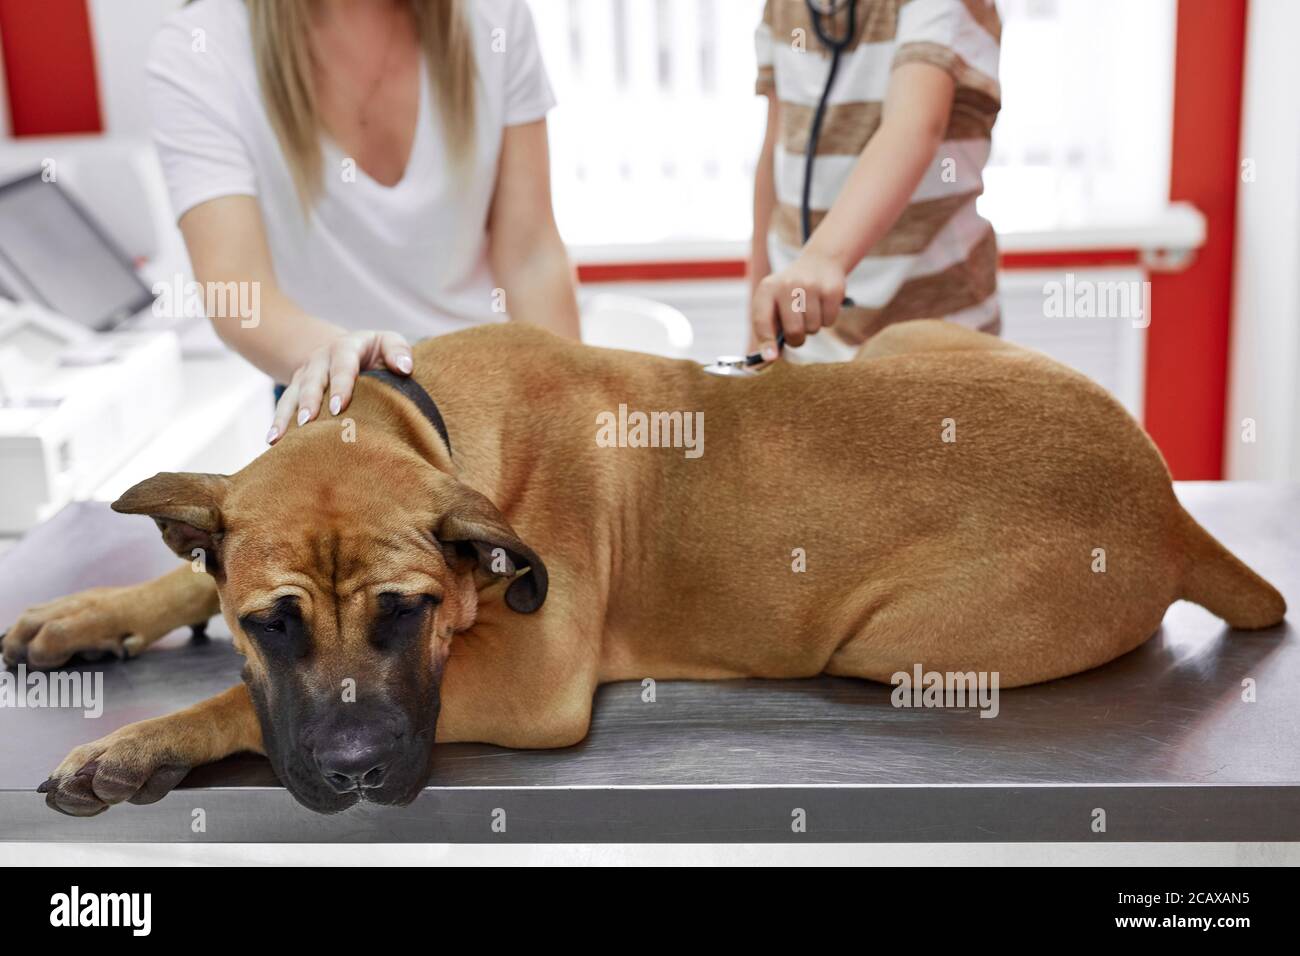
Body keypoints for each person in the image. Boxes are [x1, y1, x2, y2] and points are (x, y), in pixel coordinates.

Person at [147, 0, 579, 442]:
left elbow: (531, 259)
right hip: (335, 393)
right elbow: (237, 293)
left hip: (489, 388)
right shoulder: (199, 51)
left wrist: (571, 405)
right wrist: (340, 356)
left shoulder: (494, 17)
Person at [749, 0, 1002, 363]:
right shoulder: (783, 7)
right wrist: (755, 331)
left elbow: (915, 124)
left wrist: (822, 258)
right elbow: (775, 149)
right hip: (806, 345)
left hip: (936, 338)